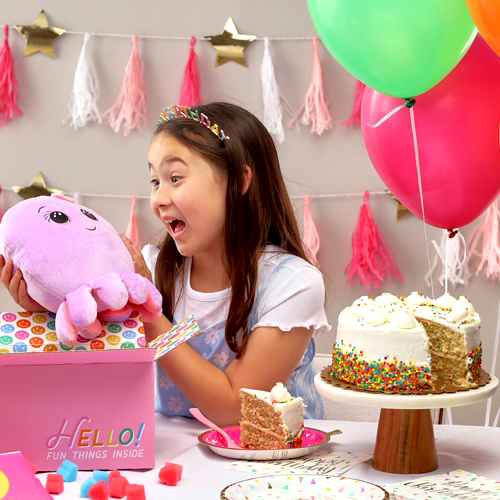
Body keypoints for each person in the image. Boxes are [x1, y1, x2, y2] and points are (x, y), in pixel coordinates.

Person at [1, 102, 330, 425]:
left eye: (175, 177)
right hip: (168, 453)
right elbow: (99, 383)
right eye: (155, 181)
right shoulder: (155, 267)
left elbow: (234, 408)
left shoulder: (293, 284)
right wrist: (47, 314)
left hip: (271, 457)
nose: (157, 200)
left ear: (238, 181)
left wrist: (150, 314)